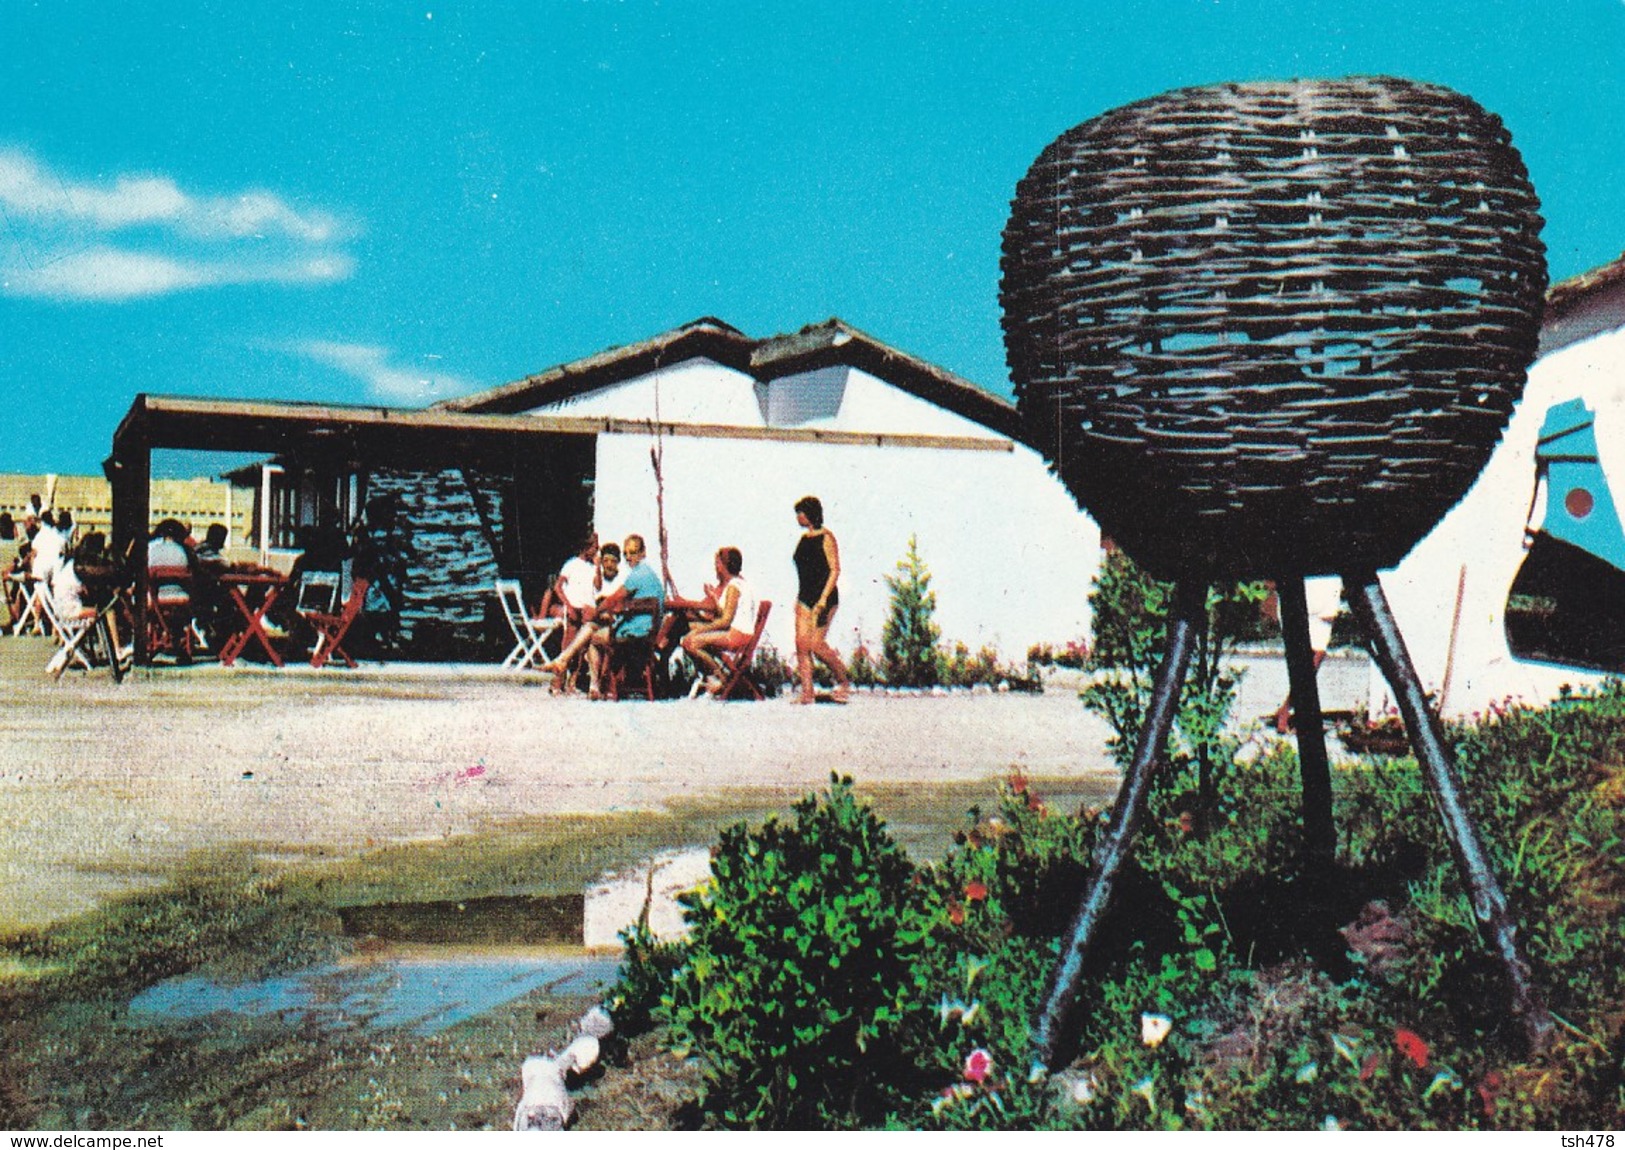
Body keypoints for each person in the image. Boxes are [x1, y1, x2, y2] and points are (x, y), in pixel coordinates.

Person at [587, 534, 664, 697]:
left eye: (633, 552)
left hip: (633, 635)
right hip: (649, 634)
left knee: (594, 638)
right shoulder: (652, 576)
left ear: (643, 553)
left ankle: (596, 686)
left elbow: (612, 600)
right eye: (626, 553)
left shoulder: (636, 575)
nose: (629, 557)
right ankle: (604, 685)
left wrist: (596, 611)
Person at [540, 541, 622, 695]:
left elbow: (597, 587)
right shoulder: (571, 564)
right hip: (574, 608)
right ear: (586, 548)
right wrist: (568, 607)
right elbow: (558, 587)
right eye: (594, 549)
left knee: (582, 647)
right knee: (568, 644)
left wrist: (597, 567)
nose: (596, 552)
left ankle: (573, 682)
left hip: (587, 609)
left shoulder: (592, 567)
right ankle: (557, 683)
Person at [791, 496, 851, 704]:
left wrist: (823, 599)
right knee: (801, 644)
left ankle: (843, 679)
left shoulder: (827, 538)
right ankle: (807, 693)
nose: (798, 517)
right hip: (804, 597)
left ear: (810, 514)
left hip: (824, 596)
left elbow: (834, 570)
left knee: (816, 644)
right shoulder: (803, 539)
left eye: (801, 513)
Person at [680, 547, 758, 697]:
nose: (715, 567)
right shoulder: (738, 583)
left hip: (737, 636)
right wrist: (713, 597)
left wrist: (700, 630)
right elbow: (724, 613)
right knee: (688, 628)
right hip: (737, 632)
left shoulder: (734, 587)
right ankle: (712, 677)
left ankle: (721, 679)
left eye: (717, 564)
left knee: (690, 642)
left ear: (723, 566)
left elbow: (725, 620)